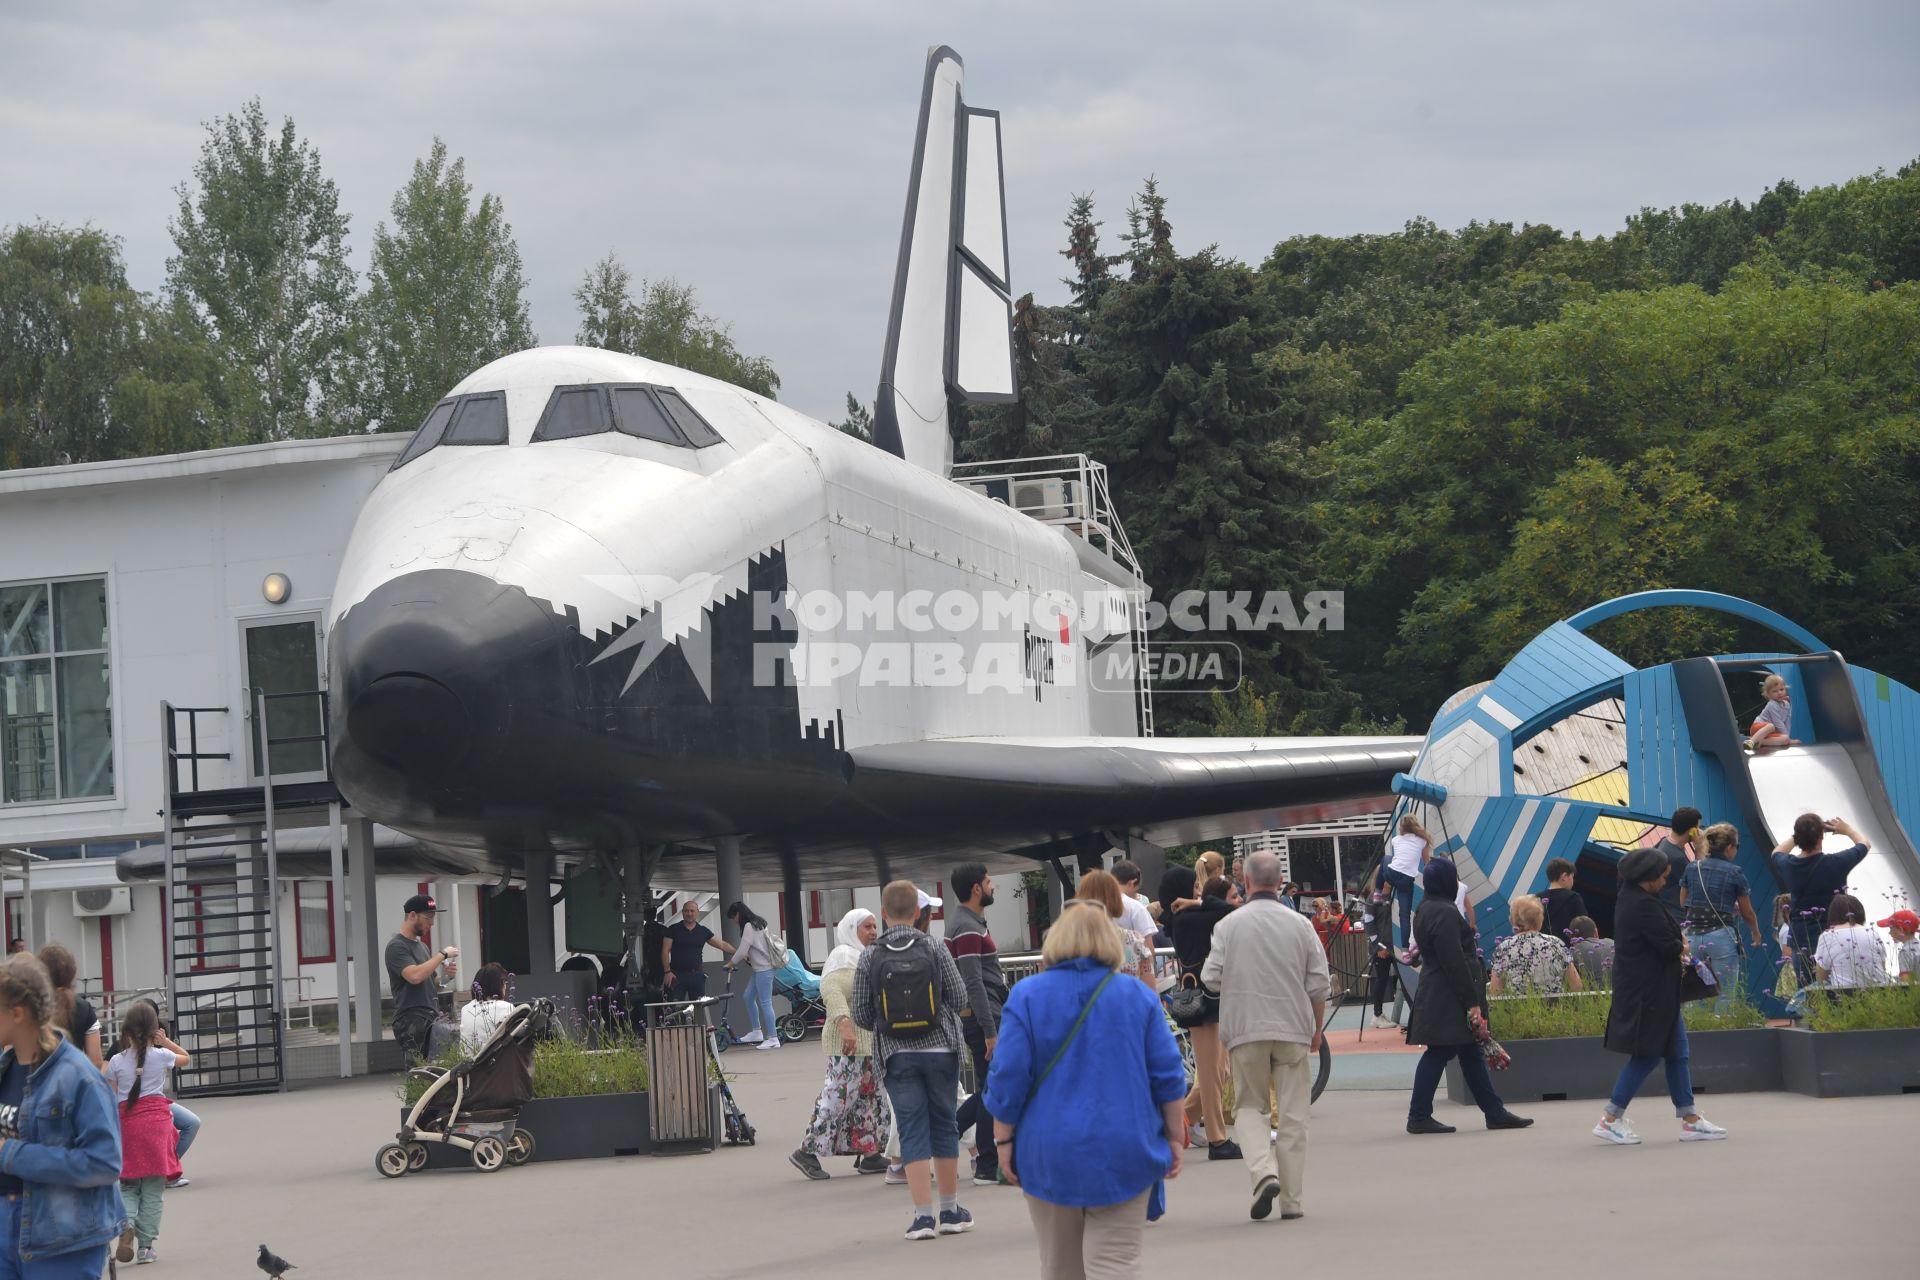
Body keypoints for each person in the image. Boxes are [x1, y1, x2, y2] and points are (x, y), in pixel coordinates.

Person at [986, 901, 1185, 1273]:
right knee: (1116, 1264)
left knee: (1060, 1266)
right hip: (1127, 1145)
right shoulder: (1137, 996)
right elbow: (1168, 1072)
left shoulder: (1026, 996)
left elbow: (1008, 1076)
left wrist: (1004, 1141)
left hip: (1049, 1150)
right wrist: (1175, 1135)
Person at [1200, 851, 1329, 1220]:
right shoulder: (1300, 924)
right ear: (1279, 880)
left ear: (1248, 882)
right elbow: (1318, 984)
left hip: (1246, 1028)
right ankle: (1292, 1200)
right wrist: (1316, 1030)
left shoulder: (1228, 925)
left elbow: (1211, 977)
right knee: (1293, 1114)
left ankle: (1262, 1172)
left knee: (1248, 1107)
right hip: (1292, 1027)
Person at [851, 880, 974, 1241]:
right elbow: (959, 995)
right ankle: (950, 1210)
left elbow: (860, 1012)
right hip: (940, 1050)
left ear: (885, 913)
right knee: (944, 1125)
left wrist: (887, 1023)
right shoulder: (935, 947)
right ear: (919, 913)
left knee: (912, 1128)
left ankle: (923, 1218)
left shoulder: (871, 955)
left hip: (896, 1053)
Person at [0, 952, 124, 1278]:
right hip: (6, 1231)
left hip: (62, 1242)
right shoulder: (5, 1067)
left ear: (16, 1013)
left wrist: (11, 1154)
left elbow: (105, 1163)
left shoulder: (79, 1076)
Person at [1593, 848, 1726, 1145]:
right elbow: (1671, 946)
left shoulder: (1631, 899)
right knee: (1648, 1054)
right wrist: (1682, 945)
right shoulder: (1643, 906)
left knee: (1678, 1053)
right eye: (1663, 877)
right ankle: (1610, 1119)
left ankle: (1690, 1118)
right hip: (1649, 994)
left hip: (1654, 993)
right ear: (1647, 878)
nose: (1666, 881)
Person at [1404, 858, 1533, 1136]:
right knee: (1441, 1052)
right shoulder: (1446, 912)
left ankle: (1494, 1112)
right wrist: (1472, 1001)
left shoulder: (1425, 908)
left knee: (1468, 1052)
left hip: (1437, 990)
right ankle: (1419, 1115)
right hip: (1449, 995)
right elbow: (1455, 960)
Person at [790, 909, 891, 1180]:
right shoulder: (843, 955)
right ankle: (806, 1151)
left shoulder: (867, 956)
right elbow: (831, 990)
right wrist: (844, 1024)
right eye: (866, 927)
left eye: (874, 926)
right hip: (847, 1041)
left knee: (868, 1099)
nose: (873, 931)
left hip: (869, 1040)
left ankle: (870, 1154)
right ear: (850, 929)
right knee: (837, 1097)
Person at [106, 1000, 188, 1265]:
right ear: (155, 1031)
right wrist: (166, 1043)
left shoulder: (117, 1061)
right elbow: (186, 1058)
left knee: (128, 1185)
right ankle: (146, 1248)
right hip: (156, 1126)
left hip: (128, 1127)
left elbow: (112, 1092)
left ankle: (127, 1224)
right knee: (153, 1189)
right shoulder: (161, 1055)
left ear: (127, 1031)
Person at [1168, 872, 1239, 1160]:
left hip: (1207, 999)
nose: (1196, 894)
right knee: (1211, 1074)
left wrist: (1193, 901)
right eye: (1193, 887)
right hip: (1202, 1000)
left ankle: (1173, 1125)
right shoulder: (1188, 919)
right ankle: (1216, 1139)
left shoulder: (1186, 917)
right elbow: (1226, 909)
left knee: (1218, 1070)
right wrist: (1197, 902)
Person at [946, 863, 1008, 1187]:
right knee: (991, 1089)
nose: (992, 886)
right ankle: (986, 1163)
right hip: (984, 1018)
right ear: (976, 889)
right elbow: (973, 982)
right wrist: (990, 1030)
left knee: (989, 1088)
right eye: (988, 881)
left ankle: (942, 1139)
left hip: (984, 1015)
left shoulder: (967, 922)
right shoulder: (967, 926)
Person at [1771, 814, 1871, 985]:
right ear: (1821, 836)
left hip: (1801, 937)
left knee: (1808, 994)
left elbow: (1776, 852)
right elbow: (1864, 844)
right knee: (1840, 989)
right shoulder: (1836, 862)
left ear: (1798, 837)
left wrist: (1799, 836)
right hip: (1835, 935)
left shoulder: (1789, 865)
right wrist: (1847, 830)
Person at [1679, 824, 1766, 1014]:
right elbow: (1747, 912)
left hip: (1692, 935)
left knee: (1696, 992)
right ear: (1729, 848)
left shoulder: (1693, 868)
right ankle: (1723, 1028)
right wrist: (1756, 933)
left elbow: (1683, 901)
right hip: (1720, 934)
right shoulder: (1735, 872)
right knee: (1726, 992)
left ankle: (1697, 1032)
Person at [386, 893, 457, 1061]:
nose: (432, 923)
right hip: (410, 1018)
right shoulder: (397, 946)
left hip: (430, 1017)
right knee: (418, 1070)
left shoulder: (423, 947)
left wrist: (446, 978)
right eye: (428, 917)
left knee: (438, 1069)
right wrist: (442, 954)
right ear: (412, 915)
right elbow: (415, 976)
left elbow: (432, 983)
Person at [1488, 896, 1582, 996]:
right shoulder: (1556, 944)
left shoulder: (1503, 948)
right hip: (1555, 1009)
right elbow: (1576, 986)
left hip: (1517, 1010)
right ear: (1539, 919)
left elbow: (1495, 991)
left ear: (1513, 920)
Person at [723, 902, 782, 1050]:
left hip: (764, 969)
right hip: (760, 969)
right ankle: (757, 1032)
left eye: (734, 917)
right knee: (748, 996)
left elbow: (743, 950)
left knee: (765, 1002)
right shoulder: (759, 923)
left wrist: (730, 963)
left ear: (739, 914)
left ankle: (774, 1038)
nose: (734, 921)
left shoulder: (749, 926)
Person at [1078, 870, 1153, 984]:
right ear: (1116, 898)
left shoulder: (1066, 944)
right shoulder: (1134, 940)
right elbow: (1150, 993)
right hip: (1128, 998)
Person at [661, 899, 733, 1001]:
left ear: (697, 912)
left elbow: (722, 944)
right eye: (686, 911)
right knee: (674, 1008)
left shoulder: (703, 931)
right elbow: (665, 951)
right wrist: (667, 972)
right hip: (676, 975)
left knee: (699, 1007)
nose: (689, 913)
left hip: (696, 976)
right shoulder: (673, 929)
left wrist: (740, 953)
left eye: (692, 911)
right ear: (682, 912)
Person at [1812, 895, 1891, 988]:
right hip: (1879, 992)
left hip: (1844, 995)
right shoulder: (1872, 933)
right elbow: (1882, 966)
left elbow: (1821, 978)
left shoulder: (1827, 936)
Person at [1383, 814, 1431, 949]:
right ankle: (1405, 948)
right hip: (1406, 879)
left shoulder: (1396, 839)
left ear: (1402, 827)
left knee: (1386, 859)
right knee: (1404, 916)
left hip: (1393, 873)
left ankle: (1381, 891)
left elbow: (1399, 857)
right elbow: (1427, 862)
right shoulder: (1422, 840)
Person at [1650, 808, 1700, 926]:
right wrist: (1699, 848)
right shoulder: (1678, 859)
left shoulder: (1664, 842)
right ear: (1691, 831)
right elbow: (1698, 883)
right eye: (1697, 828)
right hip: (1677, 918)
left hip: (1664, 912)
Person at [1364, 888, 1401, 1030]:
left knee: (1403, 980)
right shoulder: (1375, 897)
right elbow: (1369, 923)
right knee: (1382, 978)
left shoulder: (1397, 893)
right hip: (1383, 947)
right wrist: (1378, 947)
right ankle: (1377, 1014)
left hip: (1397, 946)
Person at [459, 963, 516, 1052]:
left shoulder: (465, 1009)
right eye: (504, 983)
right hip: (493, 1063)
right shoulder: (506, 1007)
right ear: (498, 985)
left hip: (467, 1063)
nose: (505, 987)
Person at [1748, 673, 1799, 750]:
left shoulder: (1787, 704)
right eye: (1775, 691)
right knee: (1771, 726)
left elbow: (1787, 721)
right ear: (1769, 694)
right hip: (1758, 728)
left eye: (1781, 689)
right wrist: (1788, 737)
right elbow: (1777, 722)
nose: (1779, 693)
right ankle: (1751, 741)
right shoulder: (1772, 704)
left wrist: (1787, 738)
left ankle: (1761, 742)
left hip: (1770, 733)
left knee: (1784, 739)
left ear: (1785, 689)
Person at [1540, 859, 1588, 941]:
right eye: (1572, 877)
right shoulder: (1573, 898)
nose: (1573, 880)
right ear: (1564, 876)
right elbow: (1584, 926)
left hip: (1536, 948)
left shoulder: (1535, 898)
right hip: (1562, 949)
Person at [1567, 917, 1615, 989]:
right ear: (1596, 932)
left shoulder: (1570, 954)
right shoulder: (1613, 943)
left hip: (1594, 998)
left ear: (1571, 938)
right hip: (1622, 994)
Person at [1880, 909, 1919, 984]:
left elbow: (1906, 981)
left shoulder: (1905, 952)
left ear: (1901, 930)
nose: (1889, 932)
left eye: (1891, 928)